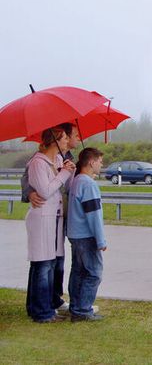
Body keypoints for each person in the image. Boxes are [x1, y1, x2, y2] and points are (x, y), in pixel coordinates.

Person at [24, 122, 80, 315]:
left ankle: (46, 304)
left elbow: (64, 186)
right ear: (54, 141)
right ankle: (41, 310)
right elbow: (46, 191)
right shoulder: (38, 162)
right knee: (42, 264)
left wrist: (69, 172)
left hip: (55, 217)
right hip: (42, 218)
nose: (68, 140)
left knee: (51, 263)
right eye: (64, 137)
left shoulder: (57, 159)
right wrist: (64, 173)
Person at [67, 147, 106, 322]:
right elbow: (94, 215)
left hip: (75, 234)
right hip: (86, 235)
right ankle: (83, 310)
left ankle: (75, 307)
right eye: (100, 161)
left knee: (78, 271)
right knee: (94, 273)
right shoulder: (88, 184)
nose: (101, 164)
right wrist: (101, 240)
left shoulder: (76, 181)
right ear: (91, 162)